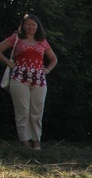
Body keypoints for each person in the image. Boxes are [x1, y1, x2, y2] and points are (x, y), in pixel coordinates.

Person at [0, 14, 57, 150]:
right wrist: (10, 63)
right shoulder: (16, 39)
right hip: (19, 78)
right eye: (28, 24)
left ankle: (36, 141)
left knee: (37, 111)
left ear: (37, 27)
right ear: (23, 25)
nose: (31, 27)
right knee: (22, 110)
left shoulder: (42, 41)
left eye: (33, 24)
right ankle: (24, 142)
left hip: (39, 80)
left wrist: (47, 70)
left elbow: (54, 59)